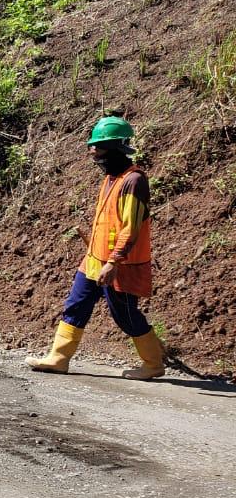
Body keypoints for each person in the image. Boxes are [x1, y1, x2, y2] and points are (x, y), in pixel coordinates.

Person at [25, 115, 165, 380]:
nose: (93, 152)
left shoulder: (133, 181)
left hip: (120, 264)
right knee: (76, 304)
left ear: (116, 148)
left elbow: (131, 227)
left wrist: (113, 262)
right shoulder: (111, 178)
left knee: (124, 314)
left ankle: (153, 363)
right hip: (94, 258)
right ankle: (59, 357)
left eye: (98, 147)